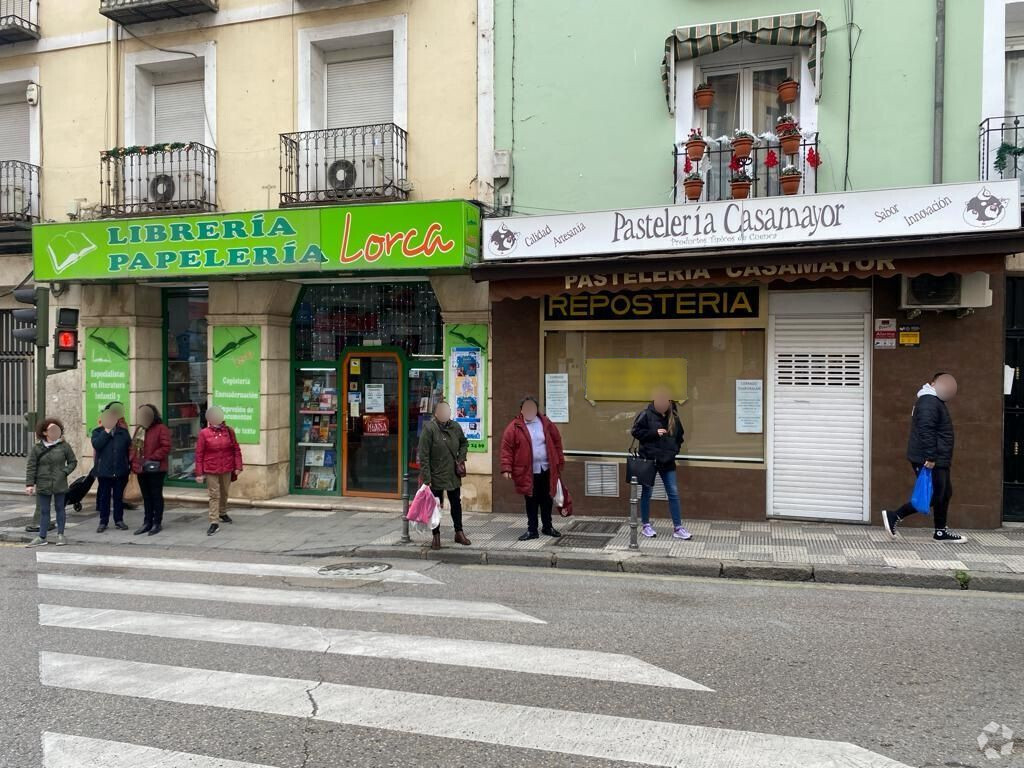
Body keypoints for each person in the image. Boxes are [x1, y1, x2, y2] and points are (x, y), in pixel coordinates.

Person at [882, 373, 964, 542]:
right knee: (934, 495)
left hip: (938, 456)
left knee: (945, 493)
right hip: (929, 458)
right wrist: (930, 456)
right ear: (932, 383)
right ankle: (895, 515)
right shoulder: (928, 401)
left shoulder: (935, 401)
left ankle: (940, 531)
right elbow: (926, 430)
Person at [630, 387, 691, 540]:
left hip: (667, 461)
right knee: (647, 493)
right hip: (649, 460)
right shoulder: (646, 414)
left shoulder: (674, 418)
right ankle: (646, 525)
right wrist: (653, 433)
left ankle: (678, 528)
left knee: (673, 493)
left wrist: (673, 451)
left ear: (669, 402)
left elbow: (680, 437)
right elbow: (635, 432)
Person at [500, 396, 564, 541]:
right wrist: (506, 468)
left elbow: (557, 441)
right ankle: (532, 530)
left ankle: (548, 526)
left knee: (547, 499)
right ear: (521, 410)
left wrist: (559, 460)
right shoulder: (514, 427)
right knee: (531, 500)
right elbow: (506, 448)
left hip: (546, 468)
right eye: (526, 408)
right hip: (527, 471)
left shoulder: (546, 423)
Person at [417, 400, 471, 550]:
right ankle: (436, 535)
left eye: (447, 411)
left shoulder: (455, 426)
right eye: (442, 411)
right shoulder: (429, 429)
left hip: (452, 473)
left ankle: (459, 532)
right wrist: (427, 479)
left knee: (456, 504)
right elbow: (424, 455)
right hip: (435, 474)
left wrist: (461, 458)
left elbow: (464, 443)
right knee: (435, 506)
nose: (445, 414)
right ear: (436, 413)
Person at [24, 419, 77, 548]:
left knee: (60, 508)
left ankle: (61, 535)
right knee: (44, 510)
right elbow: (31, 466)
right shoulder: (37, 448)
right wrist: (29, 484)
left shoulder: (64, 446)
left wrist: (64, 472)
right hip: (43, 482)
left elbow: (72, 462)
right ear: (44, 432)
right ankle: (42, 536)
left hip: (59, 482)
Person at [195, 405, 243, 536]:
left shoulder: (229, 431)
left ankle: (222, 512)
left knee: (225, 492)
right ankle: (214, 521)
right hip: (211, 468)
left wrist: (238, 466)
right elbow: (199, 453)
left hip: (226, 467)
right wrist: (199, 473)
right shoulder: (204, 433)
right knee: (214, 494)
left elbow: (236, 449)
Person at [131, 404, 172, 536]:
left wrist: (152, 458)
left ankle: (157, 522)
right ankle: (147, 522)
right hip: (141, 468)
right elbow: (133, 448)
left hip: (156, 468)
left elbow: (166, 447)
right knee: (146, 497)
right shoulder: (140, 429)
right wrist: (133, 462)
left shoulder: (161, 428)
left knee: (156, 496)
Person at [91, 407, 132, 532]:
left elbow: (129, 448)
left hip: (120, 470)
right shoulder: (97, 432)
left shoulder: (123, 433)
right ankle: (103, 521)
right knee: (105, 497)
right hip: (104, 471)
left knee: (118, 497)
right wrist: (106, 432)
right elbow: (97, 445)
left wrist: (128, 465)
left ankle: (119, 520)